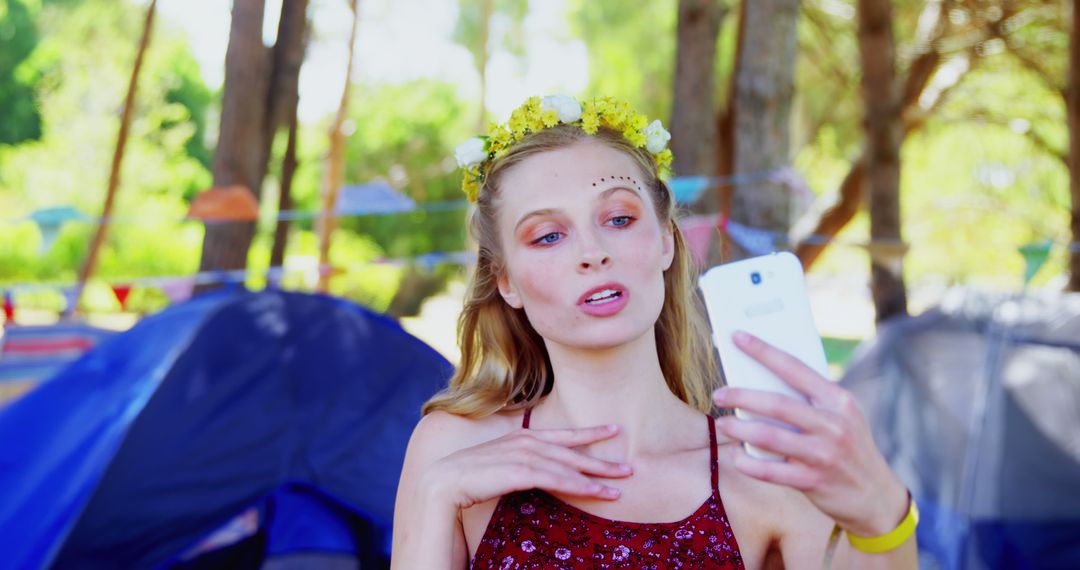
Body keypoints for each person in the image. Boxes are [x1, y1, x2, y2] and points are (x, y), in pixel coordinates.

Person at [391, 95, 918, 569]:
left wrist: (884, 517)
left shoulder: (765, 473)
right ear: (507, 282)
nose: (593, 252)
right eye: (549, 235)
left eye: (618, 219)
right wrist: (437, 493)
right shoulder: (452, 455)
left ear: (667, 240)